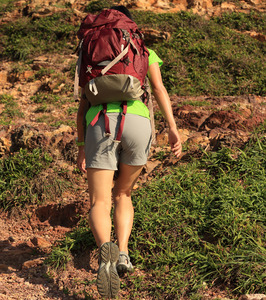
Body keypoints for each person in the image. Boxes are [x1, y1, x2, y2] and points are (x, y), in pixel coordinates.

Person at [75, 5, 182, 298]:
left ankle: (104, 254)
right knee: (124, 193)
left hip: (100, 121)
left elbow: (83, 101)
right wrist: (172, 128)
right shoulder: (142, 48)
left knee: (100, 199)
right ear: (129, 26)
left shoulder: (90, 48)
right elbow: (159, 89)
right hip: (137, 122)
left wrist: (82, 145)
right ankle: (123, 253)